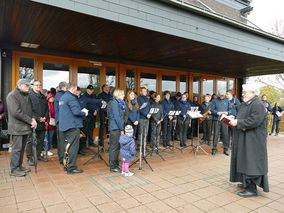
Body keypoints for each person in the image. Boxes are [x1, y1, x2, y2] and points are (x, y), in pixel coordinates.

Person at [229, 84, 269, 197]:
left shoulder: (258, 104)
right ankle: (245, 182)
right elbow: (244, 117)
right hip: (245, 137)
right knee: (243, 160)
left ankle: (252, 189)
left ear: (253, 92)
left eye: (245, 92)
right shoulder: (245, 104)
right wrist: (235, 119)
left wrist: (238, 123)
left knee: (251, 162)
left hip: (254, 139)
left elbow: (254, 121)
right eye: (243, 91)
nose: (242, 94)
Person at [7, 79, 37, 177]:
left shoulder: (26, 95)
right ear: (19, 85)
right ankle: (14, 169)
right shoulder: (12, 96)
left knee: (22, 148)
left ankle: (19, 166)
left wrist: (33, 118)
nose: (29, 87)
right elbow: (16, 112)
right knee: (17, 149)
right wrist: (30, 120)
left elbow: (30, 109)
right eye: (27, 85)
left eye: (29, 86)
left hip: (25, 127)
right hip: (17, 127)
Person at [59, 83, 87, 174]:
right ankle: (71, 168)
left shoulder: (63, 97)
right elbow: (76, 112)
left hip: (64, 125)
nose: (77, 91)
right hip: (72, 125)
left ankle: (66, 165)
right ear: (73, 88)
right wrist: (84, 113)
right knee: (73, 148)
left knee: (66, 147)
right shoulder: (71, 98)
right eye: (76, 89)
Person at [26, 80, 49, 165]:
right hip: (33, 122)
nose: (38, 86)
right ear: (33, 86)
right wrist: (38, 118)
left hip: (42, 123)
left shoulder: (43, 96)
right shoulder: (29, 96)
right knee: (30, 141)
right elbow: (28, 109)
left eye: (40, 85)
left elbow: (47, 109)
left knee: (40, 140)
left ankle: (38, 155)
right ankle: (29, 158)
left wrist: (45, 118)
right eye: (36, 85)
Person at [211, 91, 232, 156]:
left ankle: (225, 149)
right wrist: (217, 113)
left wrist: (227, 112)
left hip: (225, 119)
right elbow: (212, 109)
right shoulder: (214, 100)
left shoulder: (227, 100)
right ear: (219, 95)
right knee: (216, 134)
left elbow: (230, 109)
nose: (222, 96)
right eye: (220, 95)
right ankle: (214, 148)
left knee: (225, 134)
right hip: (217, 119)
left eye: (223, 95)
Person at [109, 88, 125, 172]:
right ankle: (112, 166)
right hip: (115, 128)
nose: (124, 96)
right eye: (122, 94)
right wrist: (121, 128)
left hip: (117, 128)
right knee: (114, 148)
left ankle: (116, 164)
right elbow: (117, 117)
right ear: (118, 95)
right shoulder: (115, 103)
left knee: (117, 147)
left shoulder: (119, 103)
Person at [55, 81, 67, 165]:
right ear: (63, 87)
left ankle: (62, 157)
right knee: (62, 140)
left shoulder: (59, 95)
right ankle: (62, 158)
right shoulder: (61, 95)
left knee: (61, 140)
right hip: (61, 121)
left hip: (61, 120)